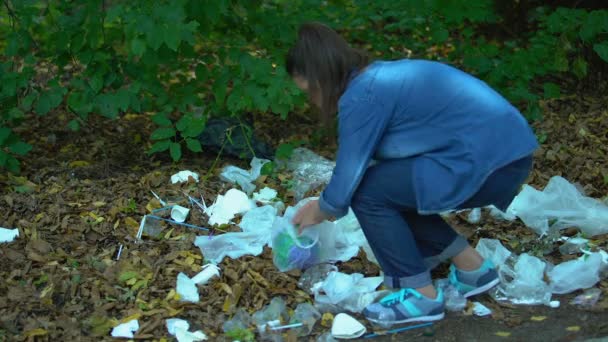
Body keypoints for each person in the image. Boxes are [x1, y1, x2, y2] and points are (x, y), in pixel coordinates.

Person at [287, 22, 538, 325]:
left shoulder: (362, 96)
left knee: (367, 193)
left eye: (312, 91)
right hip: (508, 153)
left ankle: (419, 295)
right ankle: (473, 269)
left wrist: (320, 208)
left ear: (322, 77)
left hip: (488, 161)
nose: (313, 101)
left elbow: (346, 181)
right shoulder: (380, 78)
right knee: (386, 187)